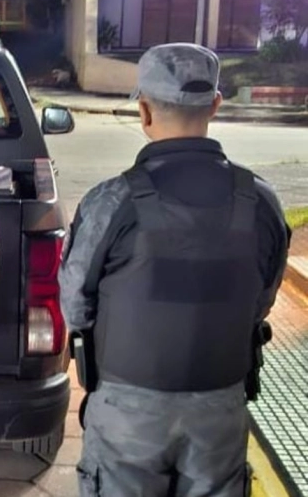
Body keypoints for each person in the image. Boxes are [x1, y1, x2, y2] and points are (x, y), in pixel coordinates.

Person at [59, 43, 291, 497]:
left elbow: (75, 303)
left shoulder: (112, 202)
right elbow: (262, 300)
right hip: (220, 408)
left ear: (144, 111)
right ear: (215, 105)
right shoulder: (261, 201)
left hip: (128, 414)